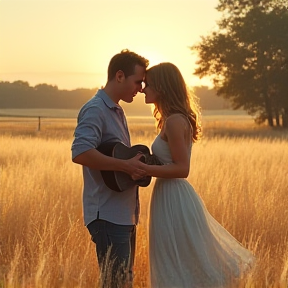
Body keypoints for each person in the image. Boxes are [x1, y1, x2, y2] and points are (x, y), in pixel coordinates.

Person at [139, 62, 255, 287]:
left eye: (148, 84)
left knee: (177, 262)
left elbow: (182, 169)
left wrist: (145, 169)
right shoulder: (170, 119)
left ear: (161, 87)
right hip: (167, 195)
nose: (143, 89)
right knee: (175, 261)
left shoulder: (174, 121)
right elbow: (169, 162)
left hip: (174, 198)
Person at [71, 49, 149, 288]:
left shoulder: (116, 109)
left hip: (123, 216)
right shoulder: (96, 109)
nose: (141, 88)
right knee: (116, 284)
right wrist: (126, 165)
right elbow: (81, 152)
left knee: (122, 283)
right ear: (119, 76)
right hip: (107, 216)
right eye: (138, 81)